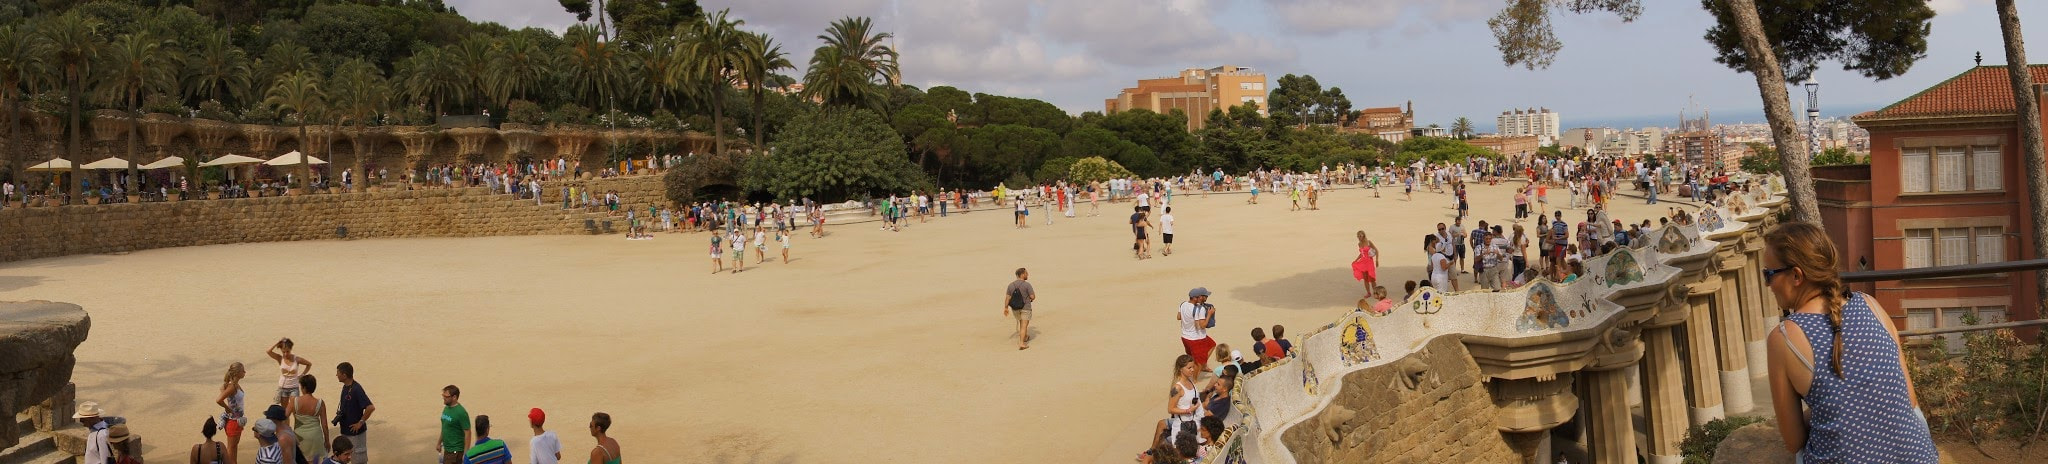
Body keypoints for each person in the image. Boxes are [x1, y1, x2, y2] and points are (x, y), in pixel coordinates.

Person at [1761, 222, 1937, 462]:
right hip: (1919, 458)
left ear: (1796, 275)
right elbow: (1910, 399)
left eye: (1768, 274)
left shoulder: (1784, 338)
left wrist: (1827, 408)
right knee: (1915, 417)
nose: (1768, 285)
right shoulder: (1871, 304)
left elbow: (1793, 440)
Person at [334, 363, 373, 464]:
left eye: (338, 373)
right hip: (346, 432)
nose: (336, 375)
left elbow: (370, 407)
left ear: (344, 375)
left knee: (358, 461)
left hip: (356, 435)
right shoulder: (346, 387)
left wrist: (360, 423)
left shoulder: (356, 389)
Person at [291, 375, 331, 461]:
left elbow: (284, 417)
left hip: (300, 437)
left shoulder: (294, 401)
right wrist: (327, 441)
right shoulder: (320, 403)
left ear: (304, 388)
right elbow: (325, 425)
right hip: (315, 437)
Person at [1177, 288, 1217, 371]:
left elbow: (1179, 317)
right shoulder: (1199, 309)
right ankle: (1197, 374)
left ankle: (1204, 365)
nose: (1205, 298)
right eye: (1204, 296)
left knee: (1211, 344)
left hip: (1185, 336)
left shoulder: (1183, 304)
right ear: (1196, 298)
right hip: (1196, 338)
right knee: (1198, 362)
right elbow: (1202, 326)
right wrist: (1209, 314)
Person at [218, 362, 250, 460]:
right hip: (233, 421)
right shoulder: (232, 387)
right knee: (231, 448)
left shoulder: (235, 385)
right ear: (236, 373)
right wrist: (228, 409)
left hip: (236, 420)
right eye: (242, 371)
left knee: (234, 447)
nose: (245, 372)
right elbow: (219, 400)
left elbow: (222, 390)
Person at [268, 338, 313, 405]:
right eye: (283, 352)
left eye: (288, 351)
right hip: (283, 387)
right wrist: (278, 342)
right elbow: (268, 351)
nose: (286, 354)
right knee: (284, 410)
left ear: (291, 349)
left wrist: (302, 375)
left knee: (295, 408)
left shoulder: (296, 359)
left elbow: (309, 364)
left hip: (294, 387)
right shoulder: (280, 358)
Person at [1003, 268, 1037, 350]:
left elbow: (1008, 297)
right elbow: (1033, 296)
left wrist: (1006, 308)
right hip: (1026, 308)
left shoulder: (1011, 285)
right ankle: (1022, 343)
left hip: (1015, 309)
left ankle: (1025, 336)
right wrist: (1030, 298)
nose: (1027, 275)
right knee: (1024, 325)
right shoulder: (1027, 285)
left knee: (1022, 323)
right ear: (1022, 274)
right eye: (1026, 273)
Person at [440, 385, 471, 464]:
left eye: (446, 396)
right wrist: (439, 442)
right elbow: (444, 426)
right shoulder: (446, 408)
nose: (443, 398)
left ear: (454, 397)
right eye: (443, 395)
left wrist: (466, 453)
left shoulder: (461, 413)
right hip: (447, 450)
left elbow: (468, 432)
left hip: (455, 452)